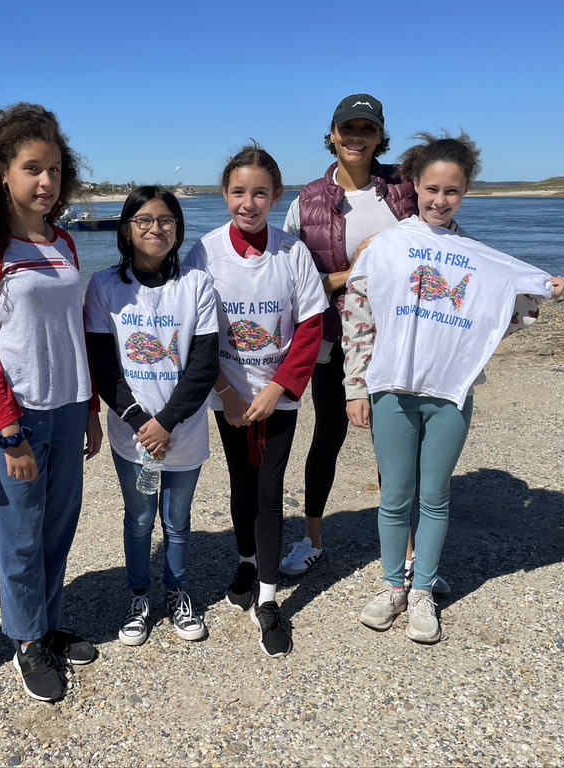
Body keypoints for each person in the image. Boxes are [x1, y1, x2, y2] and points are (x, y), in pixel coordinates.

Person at [343, 132, 564, 644]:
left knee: (436, 497)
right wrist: (356, 386)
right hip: (392, 389)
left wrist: (539, 291)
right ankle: (392, 585)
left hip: (449, 393)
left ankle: (423, 591)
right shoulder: (387, 246)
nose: (440, 200)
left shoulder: (479, 259)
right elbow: (358, 314)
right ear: (414, 186)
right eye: (432, 189)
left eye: (453, 191)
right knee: (395, 496)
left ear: (465, 193)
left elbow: (496, 318)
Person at [0, 103, 103, 703]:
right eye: (32, 169)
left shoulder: (64, 241)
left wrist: (92, 409)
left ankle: (45, 624)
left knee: (59, 527)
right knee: (19, 532)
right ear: (1, 172)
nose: (46, 182)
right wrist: (9, 432)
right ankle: (24, 641)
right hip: (17, 414)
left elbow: (74, 334)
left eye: (55, 170)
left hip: (69, 408)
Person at [185, 144, 326, 658]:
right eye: (239, 192)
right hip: (229, 395)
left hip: (276, 395)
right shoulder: (205, 252)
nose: (249, 203)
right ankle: (246, 559)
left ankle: (269, 598)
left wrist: (278, 389)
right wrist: (224, 391)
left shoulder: (291, 252)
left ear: (275, 196)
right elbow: (194, 328)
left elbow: (311, 324)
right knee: (240, 484)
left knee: (269, 490)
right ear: (225, 195)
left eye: (259, 193)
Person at [279, 93, 420, 580]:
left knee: (394, 441)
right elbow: (293, 286)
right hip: (336, 339)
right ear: (333, 135)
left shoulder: (407, 189)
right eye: (348, 128)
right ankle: (312, 539)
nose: (356, 137)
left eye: (367, 129)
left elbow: (447, 248)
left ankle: (405, 552)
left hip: (401, 338)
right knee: (328, 436)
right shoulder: (306, 203)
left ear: (380, 136)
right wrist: (352, 271)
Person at [84, 186, 219, 647]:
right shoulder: (104, 286)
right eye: (144, 220)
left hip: (183, 430)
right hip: (132, 434)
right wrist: (142, 421)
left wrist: (168, 422)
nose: (155, 228)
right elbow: (104, 366)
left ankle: (178, 591)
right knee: (139, 519)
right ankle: (138, 595)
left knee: (178, 520)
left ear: (178, 230)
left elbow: (204, 365)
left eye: (165, 220)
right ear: (126, 229)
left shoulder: (197, 284)